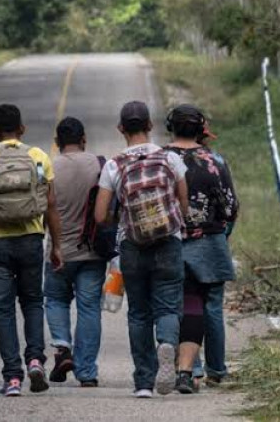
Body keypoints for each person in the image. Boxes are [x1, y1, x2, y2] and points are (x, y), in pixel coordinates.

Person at [0, 104, 64, 397]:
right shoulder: (39, 156)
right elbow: (52, 204)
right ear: (22, 129)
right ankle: (35, 360)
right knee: (33, 302)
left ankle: (12, 378)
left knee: (3, 310)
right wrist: (56, 245)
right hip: (32, 239)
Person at [94, 101, 189, 398]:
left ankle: (144, 383)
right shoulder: (170, 159)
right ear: (150, 126)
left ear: (121, 129)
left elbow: (99, 216)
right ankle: (167, 343)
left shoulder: (114, 164)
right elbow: (183, 202)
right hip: (168, 241)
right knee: (168, 306)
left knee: (138, 313)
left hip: (132, 245)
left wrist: (121, 219)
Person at [164, 104, 238, 391]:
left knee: (181, 305)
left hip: (169, 244)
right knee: (212, 306)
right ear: (201, 129)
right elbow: (230, 207)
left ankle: (190, 370)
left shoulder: (160, 158)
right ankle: (216, 369)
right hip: (210, 243)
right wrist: (220, 232)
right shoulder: (215, 161)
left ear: (171, 126)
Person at [44, 117, 108, 387]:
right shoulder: (99, 164)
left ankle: (62, 348)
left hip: (59, 251)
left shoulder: (49, 167)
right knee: (89, 308)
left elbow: (44, 208)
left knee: (56, 299)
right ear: (84, 140)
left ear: (57, 143)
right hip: (93, 252)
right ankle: (87, 373)